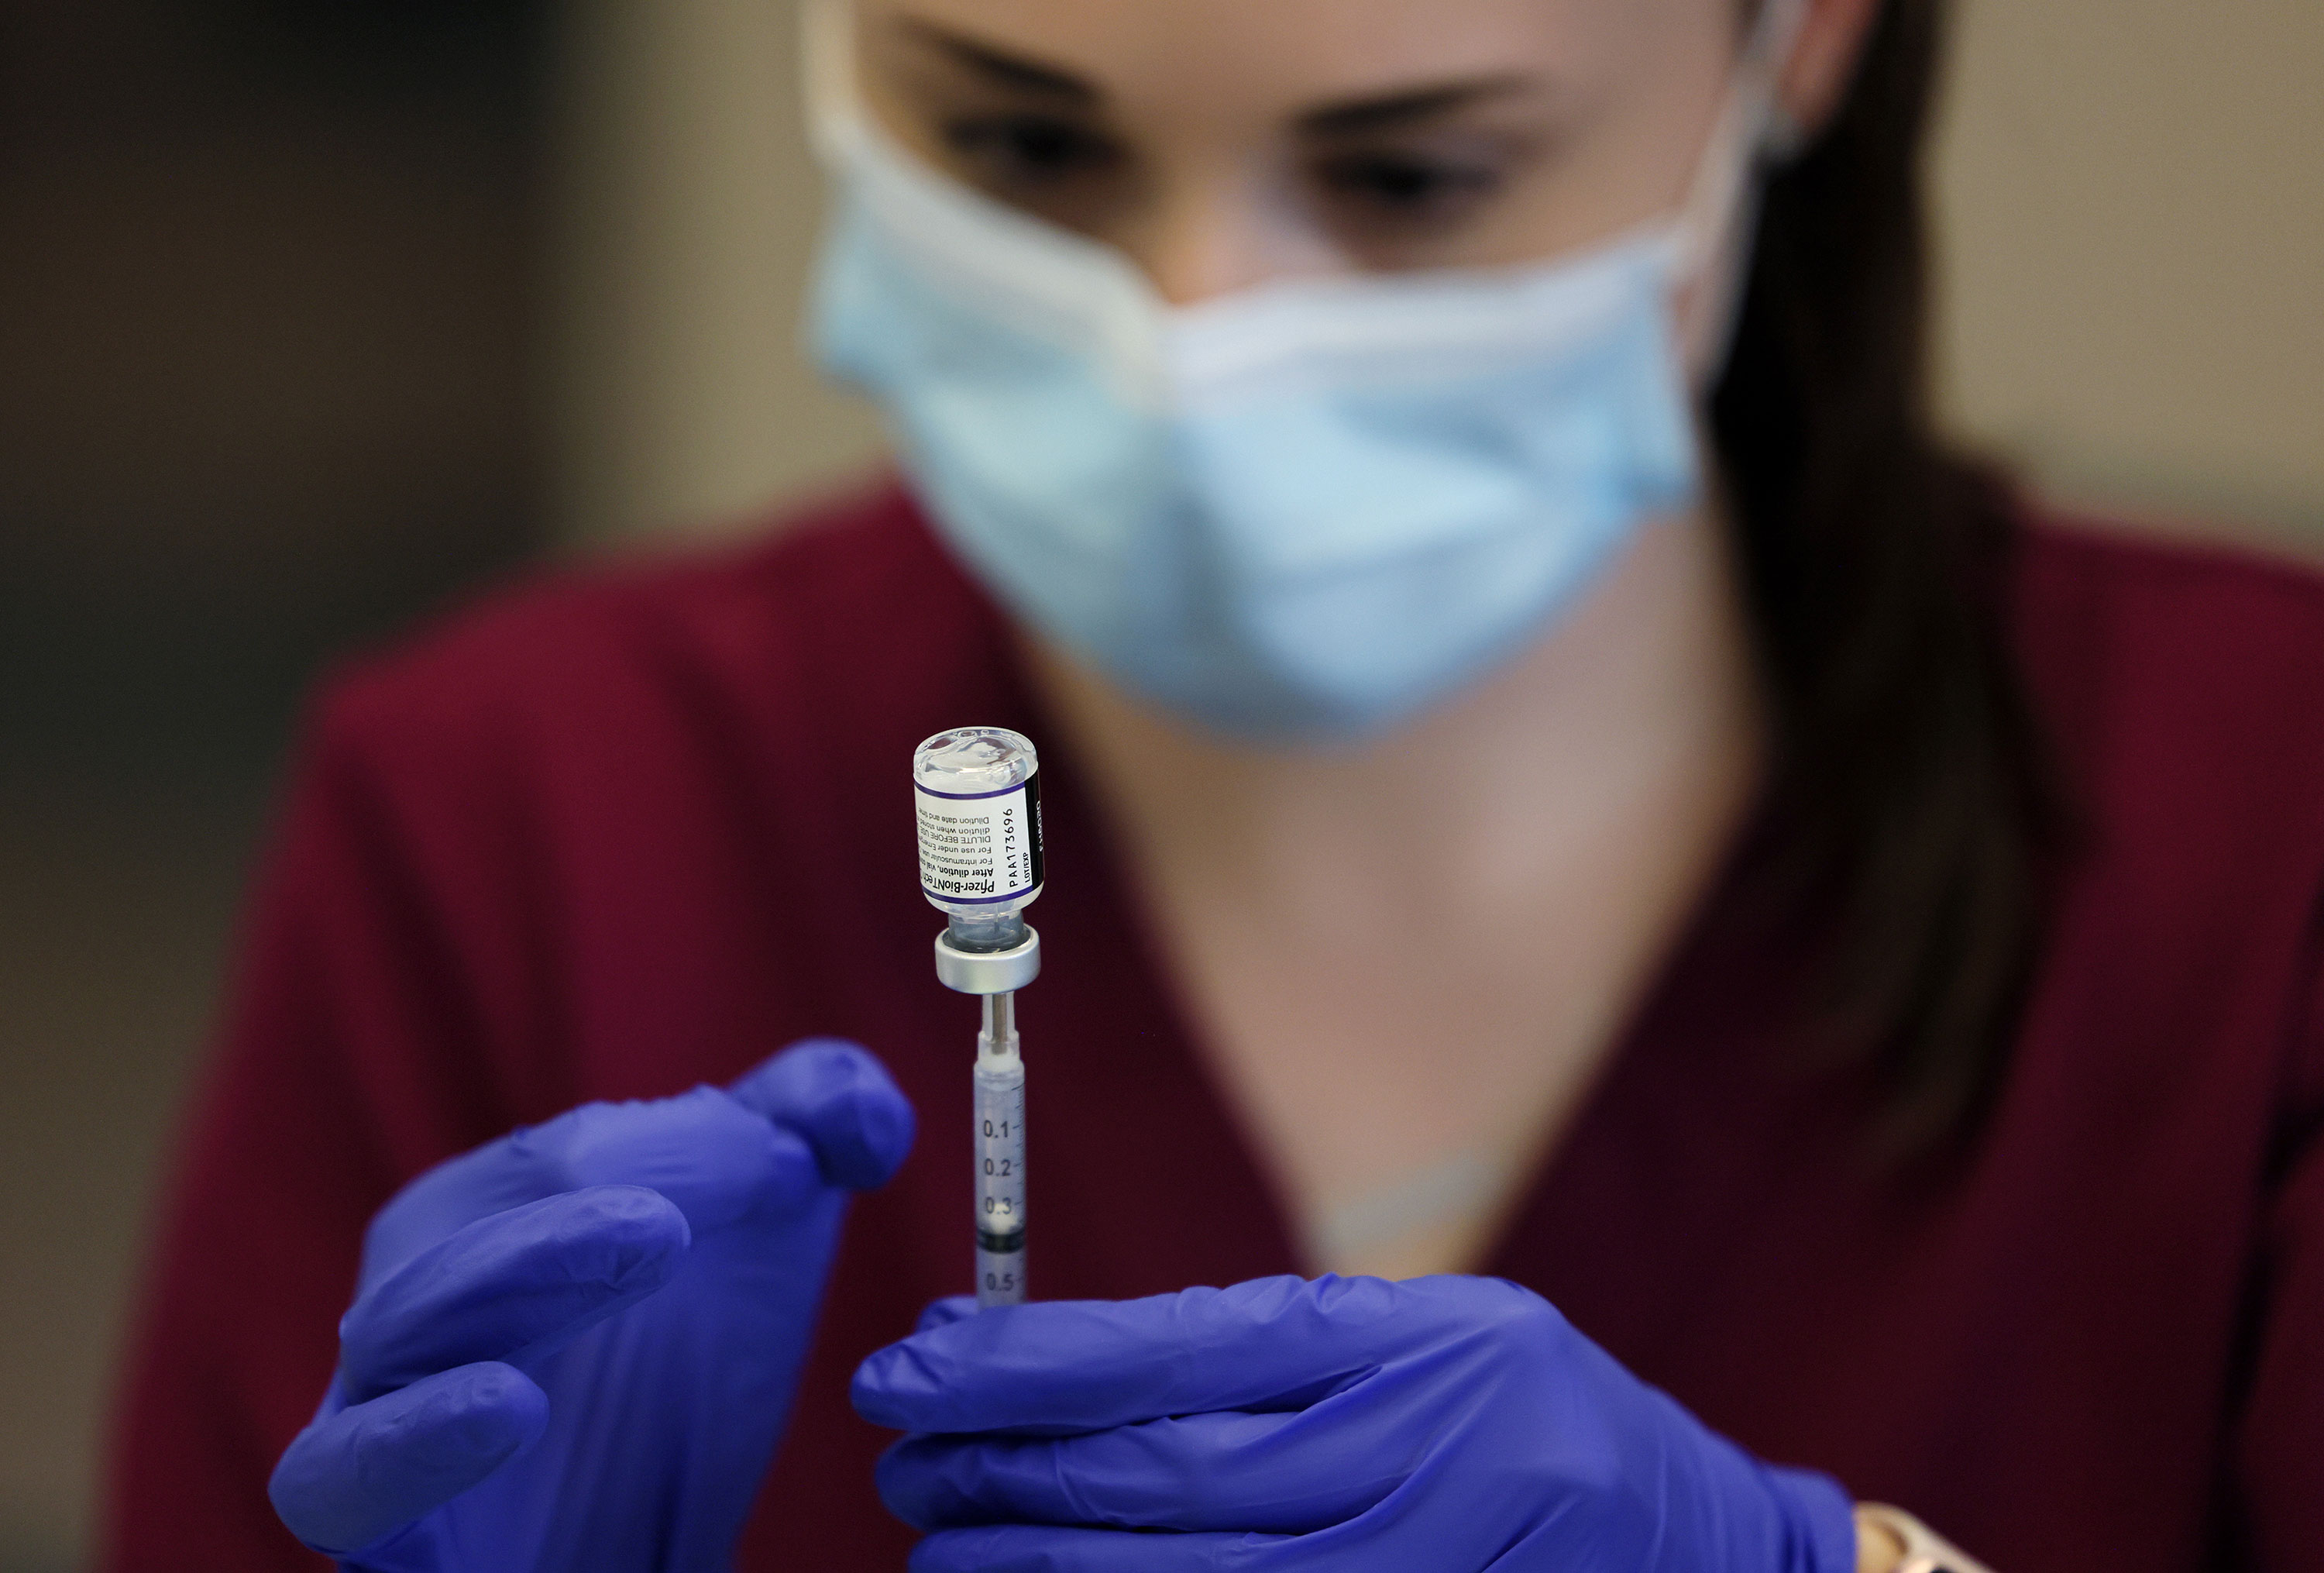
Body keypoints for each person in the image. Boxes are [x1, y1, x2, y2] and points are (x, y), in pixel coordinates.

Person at [100, 0, 2324, 1567]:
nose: (1188, 334)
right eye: (1023, 143)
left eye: (1413, 174)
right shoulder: (515, 822)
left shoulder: (2266, 831)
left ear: (1802, 33)